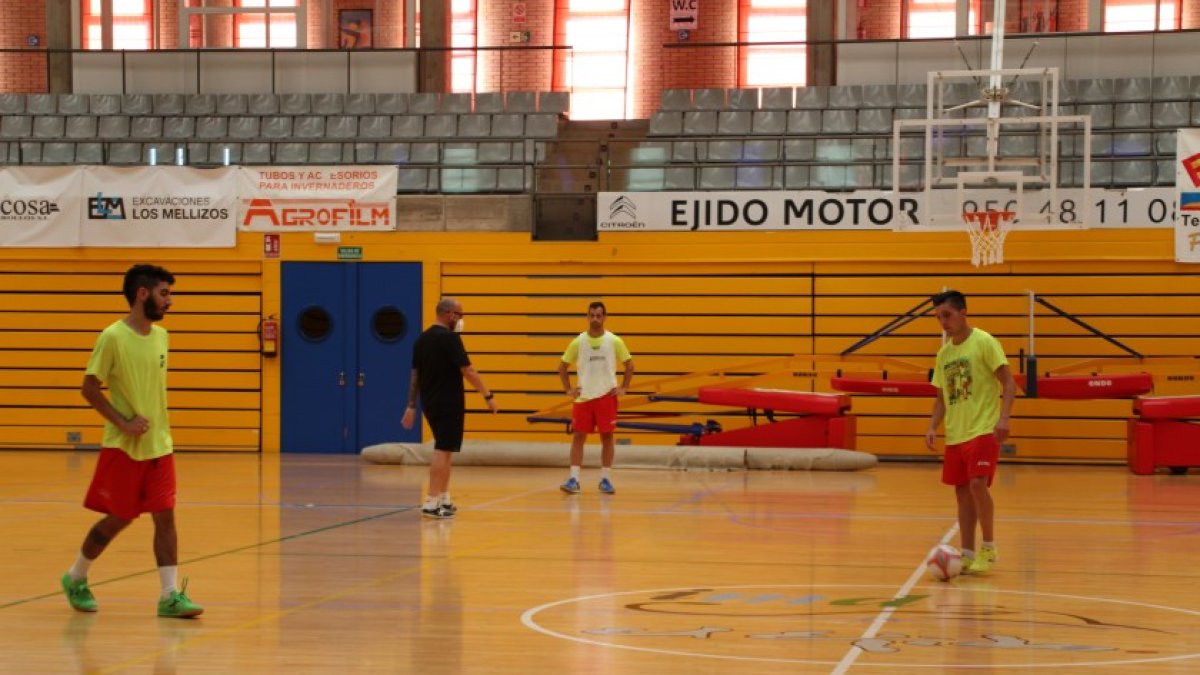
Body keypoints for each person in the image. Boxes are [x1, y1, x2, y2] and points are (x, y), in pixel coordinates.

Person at [62, 264, 203, 618]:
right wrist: (124, 422)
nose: (170, 301)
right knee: (118, 519)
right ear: (143, 294)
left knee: (165, 517)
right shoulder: (112, 337)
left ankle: (169, 595)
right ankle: (75, 577)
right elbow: (89, 389)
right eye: (164, 293)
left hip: (160, 444)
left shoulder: (162, 337)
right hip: (124, 447)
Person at [924, 289, 1016, 575]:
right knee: (962, 493)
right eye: (939, 317)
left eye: (947, 315)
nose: (943, 322)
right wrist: (932, 426)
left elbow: (1010, 383)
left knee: (977, 484)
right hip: (956, 432)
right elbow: (941, 397)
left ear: (963, 312)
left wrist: (1004, 419)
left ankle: (988, 548)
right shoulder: (944, 354)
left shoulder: (985, 342)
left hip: (984, 427)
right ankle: (966, 553)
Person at [402, 297, 497, 519]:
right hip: (448, 402)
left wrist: (411, 406)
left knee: (447, 450)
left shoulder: (421, 340)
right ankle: (430, 502)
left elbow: (415, 376)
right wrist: (488, 395)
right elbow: (469, 371)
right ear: (449, 314)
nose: (461, 320)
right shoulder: (450, 339)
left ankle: (444, 498)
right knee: (442, 451)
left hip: (431, 403)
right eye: (460, 315)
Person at [558, 301, 634, 495]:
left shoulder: (614, 341)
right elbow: (562, 367)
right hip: (584, 397)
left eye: (599, 315)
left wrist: (624, 388)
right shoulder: (578, 341)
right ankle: (574, 479)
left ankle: (605, 479)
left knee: (607, 436)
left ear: (604, 317)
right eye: (591, 315)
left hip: (606, 396)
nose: (595, 319)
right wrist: (568, 390)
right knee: (578, 437)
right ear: (587, 316)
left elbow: (629, 364)